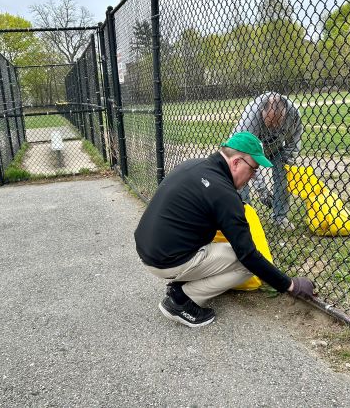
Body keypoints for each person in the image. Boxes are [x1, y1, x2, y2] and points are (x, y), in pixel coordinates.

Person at [134, 131, 314, 328]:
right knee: (246, 265)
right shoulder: (224, 194)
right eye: (254, 169)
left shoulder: (192, 165)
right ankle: (182, 300)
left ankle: (181, 282)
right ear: (236, 162)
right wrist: (290, 285)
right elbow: (249, 255)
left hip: (148, 250)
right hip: (166, 261)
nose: (253, 177)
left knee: (218, 244)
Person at [233, 92, 303, 230]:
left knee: (284, 171)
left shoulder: (293, 113)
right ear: (261, 113)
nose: (274, 128)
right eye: (270, 123)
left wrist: (287, 160)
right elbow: (246, 156)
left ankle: (280, 217)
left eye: (278, 123)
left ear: (285, 114)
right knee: (240, 174)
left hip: (276, 147)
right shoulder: (250, 119)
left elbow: (294, 140)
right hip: (244, 151)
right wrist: (262, 190)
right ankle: (245, 217)